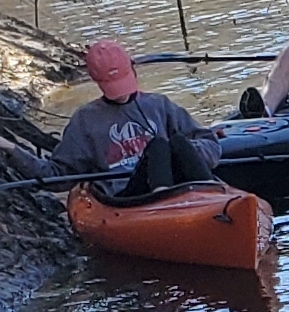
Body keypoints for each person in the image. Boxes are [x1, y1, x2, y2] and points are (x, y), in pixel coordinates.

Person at [49, 42, 218, 203]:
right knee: (158, 144)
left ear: (132, 69)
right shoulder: (85, 120)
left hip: (173, 182)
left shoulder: (159, 104)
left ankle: (210, 194)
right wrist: (22, 157)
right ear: (96, 80)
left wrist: (181, 153)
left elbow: (209, 143)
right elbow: (59, 176)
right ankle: (161, 200)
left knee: (176, 143)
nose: (121, 94)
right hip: (126, 195)